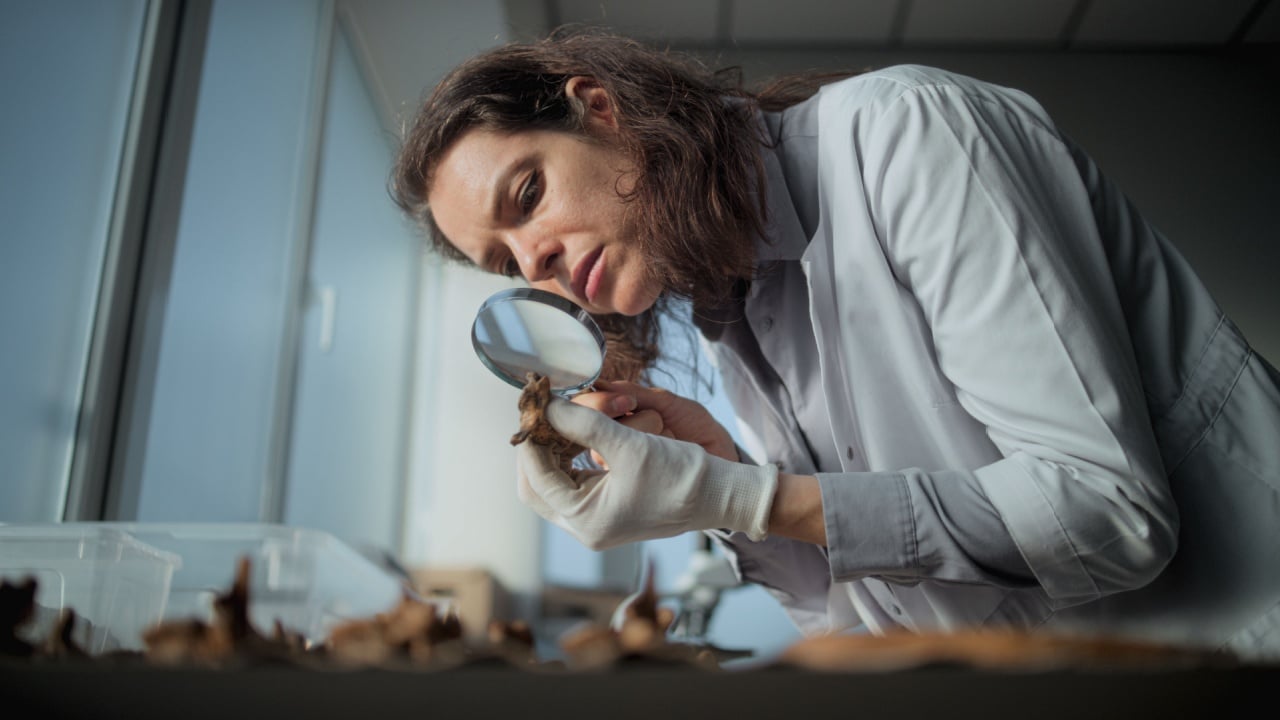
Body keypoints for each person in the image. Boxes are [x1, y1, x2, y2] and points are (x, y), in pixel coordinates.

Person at [391, 28, 1280, 660]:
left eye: (528, 194)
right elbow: (871, 625)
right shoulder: (727, 307)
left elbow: (1110, 516)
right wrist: (718, 490)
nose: (532, 258)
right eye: (503, 261)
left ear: (600, 111)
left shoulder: (907, 135)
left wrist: (759, 497)